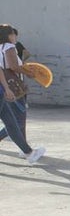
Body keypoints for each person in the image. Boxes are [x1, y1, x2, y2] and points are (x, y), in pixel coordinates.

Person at [0, 24, 46, 164]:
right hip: (11, 87)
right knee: (17, 119)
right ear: (9, 35)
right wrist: (29, 73)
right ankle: (26, 151)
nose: (15, 36)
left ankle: (27, 151)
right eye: (14, 34)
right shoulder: (8, 47)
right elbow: (13, 66)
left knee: (12, 120)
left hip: (4, 87)